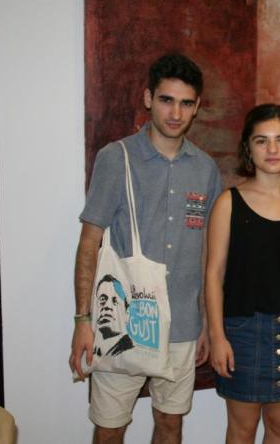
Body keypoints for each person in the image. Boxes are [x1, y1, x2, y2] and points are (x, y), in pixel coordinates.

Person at [68, 53, 222, 444]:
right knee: (110, 428)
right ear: (148, 98)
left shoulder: (205, 168)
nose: (176, 113)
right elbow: (89, 243)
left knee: (170, 423)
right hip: (121, 322)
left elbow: (207, 251)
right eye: (167, 100)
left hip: (183, 325)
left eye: (186, 103)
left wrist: (206, 321)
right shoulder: (115, 158)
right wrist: (83, 321)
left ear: (197, 107)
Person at [205, 104, 280, 444]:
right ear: (248, 148)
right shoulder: (228, 203)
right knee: (242, 429)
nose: (272, 149)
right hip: (243, 333)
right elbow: (214, 274)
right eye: (262, 141)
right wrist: (217, 336)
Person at [93, 275, 134, 357]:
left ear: (127, 313)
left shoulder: (129, 351)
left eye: (115, 301)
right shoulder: (95, 350)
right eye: (102, 299)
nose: (107, 306)